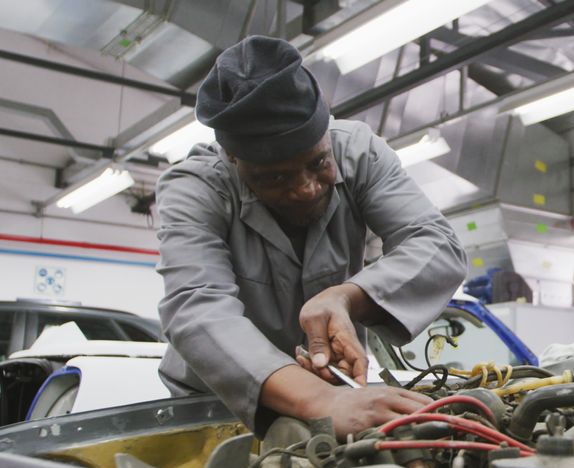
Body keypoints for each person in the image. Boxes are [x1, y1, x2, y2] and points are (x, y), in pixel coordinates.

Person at [154, 36, 467, 440]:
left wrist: (347, 296)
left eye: (318, 163)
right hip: (223, 404)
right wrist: (320, 401)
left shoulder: (359, 152)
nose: (305, 189)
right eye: (275, 178)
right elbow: (196, 309)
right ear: (232, 158)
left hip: (341, 393)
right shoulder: (193, 188)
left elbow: (436, 244)